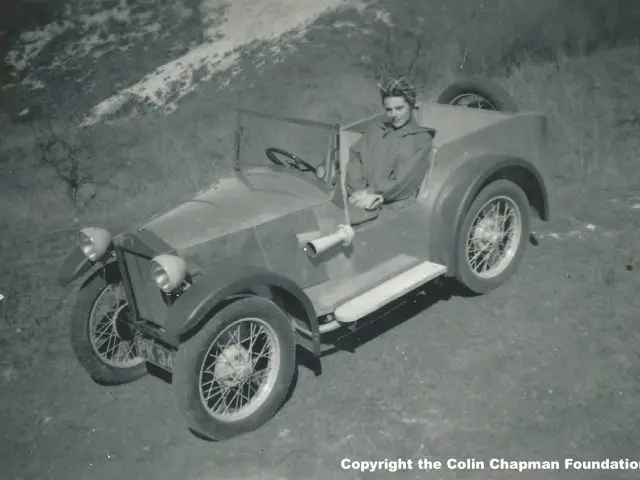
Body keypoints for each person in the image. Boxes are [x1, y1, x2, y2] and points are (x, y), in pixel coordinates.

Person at [346, 77, 435, 211]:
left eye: (399, 108)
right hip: (360, 200)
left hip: (394, 207)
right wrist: (357, 190)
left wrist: (371, 192)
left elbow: (403, 182)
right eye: (389, 109)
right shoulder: (376, 129)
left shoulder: (421, 139)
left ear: (410, 106)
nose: (394, 115)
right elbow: (355, 157)